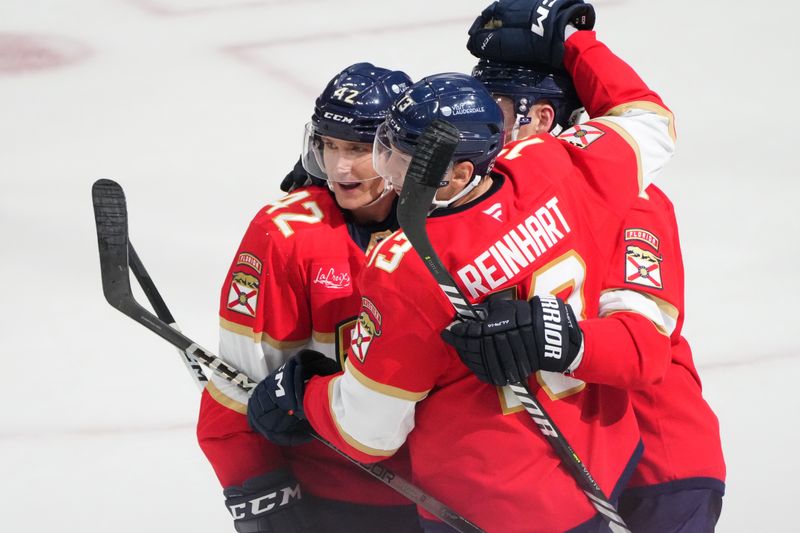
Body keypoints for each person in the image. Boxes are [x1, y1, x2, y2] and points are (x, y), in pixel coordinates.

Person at [245, 1, 680, 530]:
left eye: (399, 159)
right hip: (603, 469)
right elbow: (647, 120)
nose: (387, 172)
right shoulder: (552, 162)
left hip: (488, 504)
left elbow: (369, 432)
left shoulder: (404, 266)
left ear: (459, 172)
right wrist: (573, 42)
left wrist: (303, 396)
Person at [468, 55, 726, 530]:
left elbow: (640, 347)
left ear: (542, 119)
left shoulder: (633, 200)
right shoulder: (501, 206)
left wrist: (575, 41)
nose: (475, 124)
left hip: (659, 469)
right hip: (575, 470)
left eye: (493, 109)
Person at [196, 62, 423, 533]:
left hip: (453, 492)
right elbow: (236, 390)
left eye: (359, 149)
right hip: (338, 500)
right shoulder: (284, 236)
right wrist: (261, 496)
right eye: (329, 145)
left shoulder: (456, 220)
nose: (340, 167)